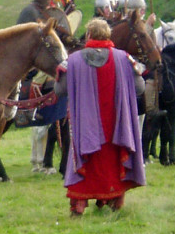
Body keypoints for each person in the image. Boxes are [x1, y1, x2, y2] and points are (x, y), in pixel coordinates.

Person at [55, 18, 146, 215]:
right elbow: (140, 87)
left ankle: (78, 206)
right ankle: (115, 201)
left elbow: (59, 90)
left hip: (85, 126)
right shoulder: (124, 58)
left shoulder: (73, 60)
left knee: (85, 159)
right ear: (108, 35)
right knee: (115, 159)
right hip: (117, 126)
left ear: (88, 35)